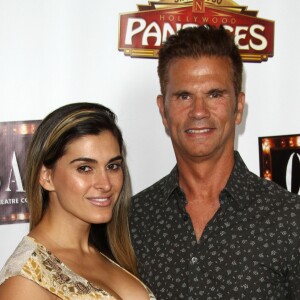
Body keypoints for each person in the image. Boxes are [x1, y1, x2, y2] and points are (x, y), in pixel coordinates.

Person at [129, 25, 300, 299]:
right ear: (163, 110)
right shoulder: (132, 221)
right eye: (184, 96)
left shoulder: (290, 220)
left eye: (215, 94)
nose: (199, 112)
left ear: (239, 107)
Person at [0, 102, 156, 299]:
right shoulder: (24, 282)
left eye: (113, 166)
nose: (105, 184)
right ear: (47, 177)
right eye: (85, 168)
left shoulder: (109, 251)